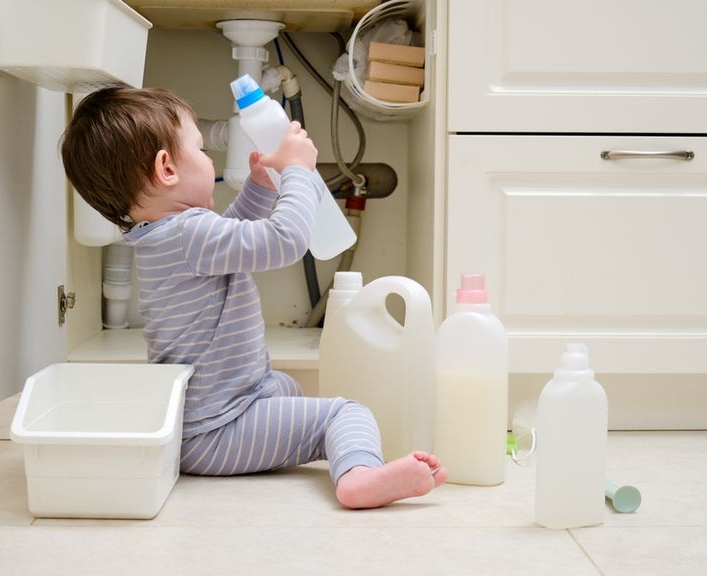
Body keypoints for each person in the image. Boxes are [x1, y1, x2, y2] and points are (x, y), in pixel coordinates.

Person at [60, 86, 448, 508]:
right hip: (219, 430)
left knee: (285, 388)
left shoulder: (165, 237)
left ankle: (319, 449)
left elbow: (229, 245)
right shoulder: (190, 233)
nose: (209, 159)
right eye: (202, 149)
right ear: (166, 168)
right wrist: (298, 171)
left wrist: (260, 189)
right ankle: (360, 477)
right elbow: (285, 240)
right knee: (345, 413)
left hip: (205, 420)